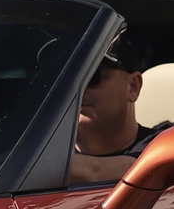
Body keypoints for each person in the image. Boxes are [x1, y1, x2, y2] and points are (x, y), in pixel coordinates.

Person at [67, 40, 167, 185]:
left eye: (92, 76)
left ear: (133, 87)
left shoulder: (168, 146)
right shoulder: (37, 148)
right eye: (65, 80)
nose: (75, 89)